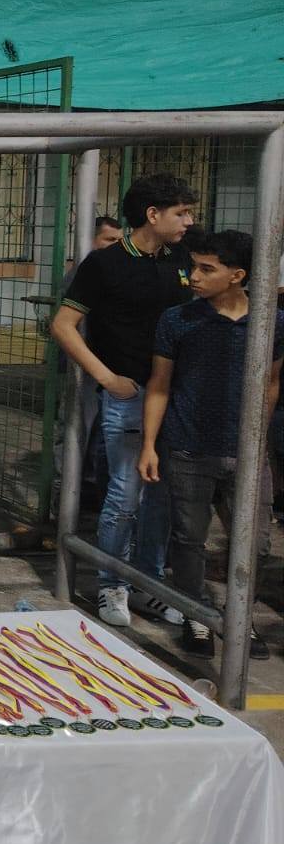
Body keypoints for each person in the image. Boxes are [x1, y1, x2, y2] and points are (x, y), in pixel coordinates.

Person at [52, 173, 196, 627]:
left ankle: (147, 585)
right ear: (152, 215)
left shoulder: (182, 259)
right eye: (181, 213)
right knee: (125, 494)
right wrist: (107, 378)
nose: (189, 221)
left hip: (175, 396)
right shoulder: (105, 264)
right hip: (129, 395)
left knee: (162, 497)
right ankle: (112, 584)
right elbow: (62, 325)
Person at [139, 229, 283, 659]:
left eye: (207, 269)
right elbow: (160, 384)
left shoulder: (271, 323)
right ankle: (196, 615)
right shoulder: (178, 320)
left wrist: (257, 438)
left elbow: (271, 383)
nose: (194, 277)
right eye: (193, 267)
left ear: (237, 275)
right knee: (189, 539)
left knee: (255, 543)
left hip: (247, 454)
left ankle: (240, 618)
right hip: (188, 448)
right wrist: (150, 444)